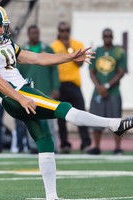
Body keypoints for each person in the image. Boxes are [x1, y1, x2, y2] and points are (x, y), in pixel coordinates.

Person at [0, 4, 133, 200]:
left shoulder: (5, 43)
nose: (2, 30)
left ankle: (51, 199)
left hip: (20, 92)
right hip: (15, 95)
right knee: (63, 108)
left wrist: (69, 57)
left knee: (45, 140)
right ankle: (114, 124)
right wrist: (21, 98)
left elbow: (38, 58)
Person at [17, 24, 60, 153]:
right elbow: (17, 72)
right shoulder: (21, 51)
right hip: (29, 92)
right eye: (32, 33)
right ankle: (33, 146)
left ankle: (53, 146)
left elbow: (54, 70)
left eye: (37, 33)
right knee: (32, 119)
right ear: (28, 34)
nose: (35, 35)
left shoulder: (47, 49)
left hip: (45, 89)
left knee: (50, 119)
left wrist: (56, 87)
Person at [51, 21, 91, 153]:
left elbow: (80, 64)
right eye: (62, 31)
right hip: (60, 84)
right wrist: (54, 87)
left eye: (67, 30)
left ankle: (85, 143)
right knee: (61, 117)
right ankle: (65, 144)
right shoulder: (54, 46)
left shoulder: (77, 45)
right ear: (58, 31)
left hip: (74, 84)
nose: (64, 33)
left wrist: (71, 49)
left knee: (81, 113)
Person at [86, 28, 126, 155]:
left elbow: (121, 72)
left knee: (116, 120)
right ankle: (96, 146)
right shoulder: (97, 51)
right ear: (102, 37)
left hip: (113, 92)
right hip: (98, 91)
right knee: (96, 119)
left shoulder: (119, 52)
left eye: (109, 35)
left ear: (112, 37)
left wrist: (107, 86)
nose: (107, 38)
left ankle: (117, 147)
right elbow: (91, 72)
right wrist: (99, 87)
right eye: (105, 36)